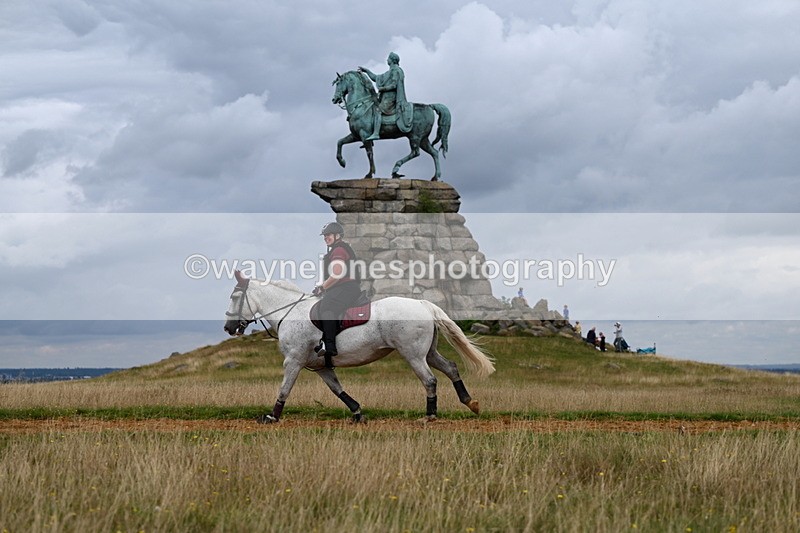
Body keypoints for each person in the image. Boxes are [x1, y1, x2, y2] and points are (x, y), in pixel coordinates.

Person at [313, 222, 362, 364]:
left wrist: (322, 287)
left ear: (338, 236)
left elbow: (337, 274)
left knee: (327, 306)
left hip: (347, 288)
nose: (325, 238)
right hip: (342, 288)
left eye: (328, 235)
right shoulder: (335, 250)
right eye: (324, 236)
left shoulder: (339, 250)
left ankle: (329, 346)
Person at [358, 52, 413, 140]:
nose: (387, 60)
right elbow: (375, 78)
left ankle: (376, 133)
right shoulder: (389, 72)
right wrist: (366, 71)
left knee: (377, 110)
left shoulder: (396, 70)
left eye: (388, 58)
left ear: (392, 60)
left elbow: (394, 85)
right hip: (385, 97)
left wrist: (383, 89)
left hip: (391, 98)